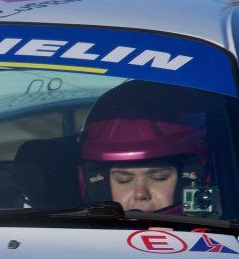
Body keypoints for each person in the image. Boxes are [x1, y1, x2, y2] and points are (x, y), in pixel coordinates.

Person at [79, 85, 217, 215]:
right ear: (99, 183)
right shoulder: (77, 236)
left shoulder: (225, 235)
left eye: (159, 178)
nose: (140, 194)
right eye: (123, 180)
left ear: (190, 179)